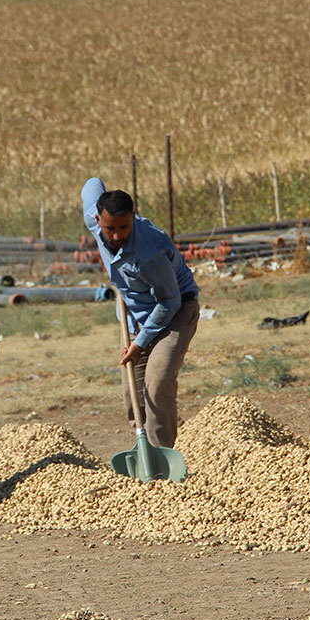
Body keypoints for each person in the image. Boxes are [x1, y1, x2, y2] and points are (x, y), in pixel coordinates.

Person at [81, 177, 199, 448]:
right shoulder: (94, 220)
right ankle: (143, 450)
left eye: (124, 227)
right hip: (137, 317)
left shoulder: (150, 252)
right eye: (110, 228)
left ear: (133, 218)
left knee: (156, 384)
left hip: (176, 312)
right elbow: (91, 184)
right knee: (132, 394)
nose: (116, 236)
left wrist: (140, 343)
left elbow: (169, 302)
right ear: (98, 219)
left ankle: (162, 455)